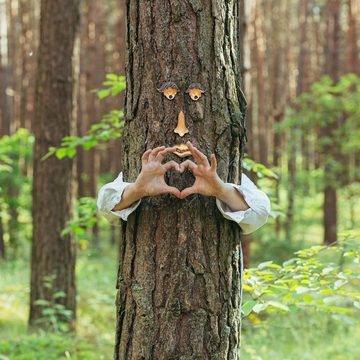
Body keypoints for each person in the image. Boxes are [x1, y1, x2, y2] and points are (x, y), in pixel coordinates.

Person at [97, 141, 271, 234]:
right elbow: (105, 205)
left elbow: (260, 213)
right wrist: (137, 190)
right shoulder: (129, 174)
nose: (181, 129)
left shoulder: (238, 177)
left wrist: (221, 190)